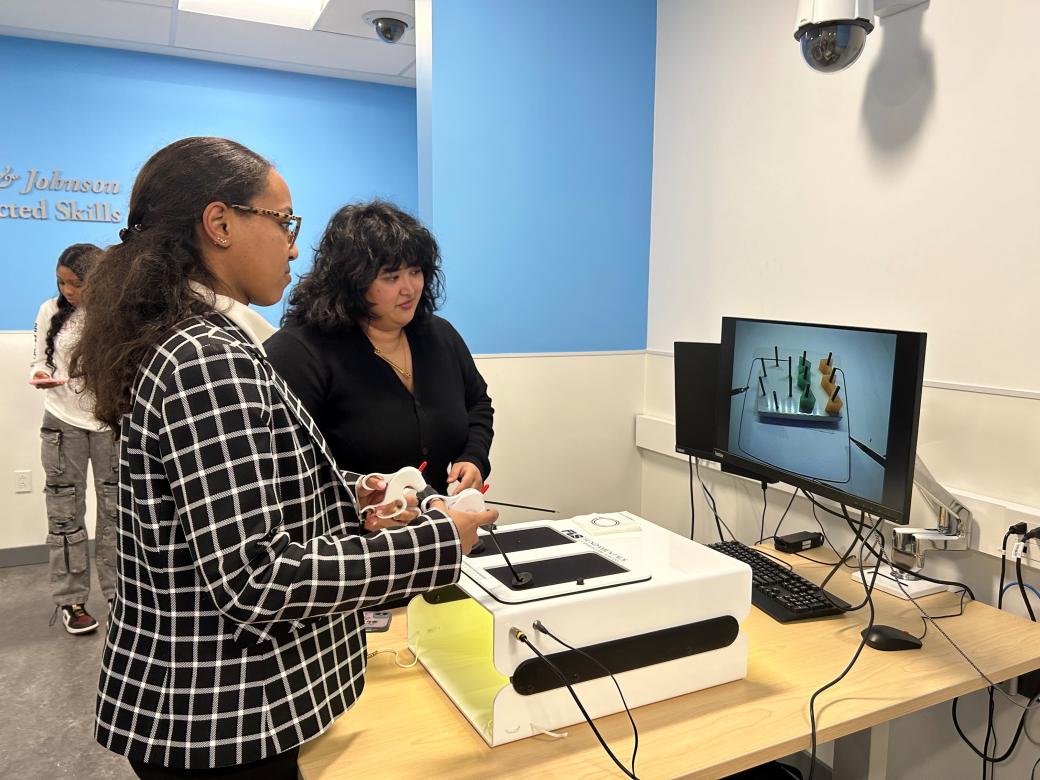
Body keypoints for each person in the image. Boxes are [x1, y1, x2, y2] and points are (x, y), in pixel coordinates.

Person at [71, 137, 496, 778]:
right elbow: (257, 576)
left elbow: (234, 497)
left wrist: (349, 494)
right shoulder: (208, 359)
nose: (294, 246)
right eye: (283, 222)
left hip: (219, 704)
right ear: (220, 224)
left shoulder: (198, 342)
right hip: (219, 711)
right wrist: (441, 540)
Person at [265, 200, 493, 500]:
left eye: (415, 271)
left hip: (443, 527)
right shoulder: (300, 352)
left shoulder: (440, 335)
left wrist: (473, 457)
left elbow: (477, 404)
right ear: (352, 280)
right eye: (391, 277)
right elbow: (287, 469)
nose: (409, 288)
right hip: (351, 539)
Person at [30, 242, 117, 635]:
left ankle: (120, 596)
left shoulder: (117, 315)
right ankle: (72, 602)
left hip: (108, 424)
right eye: (62, 282)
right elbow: (39, 359)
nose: (67, 290)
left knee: (118, 515)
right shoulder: (50, 312)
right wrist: (39, 375)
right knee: (64, 515)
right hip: (62, 421)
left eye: (76, 283)